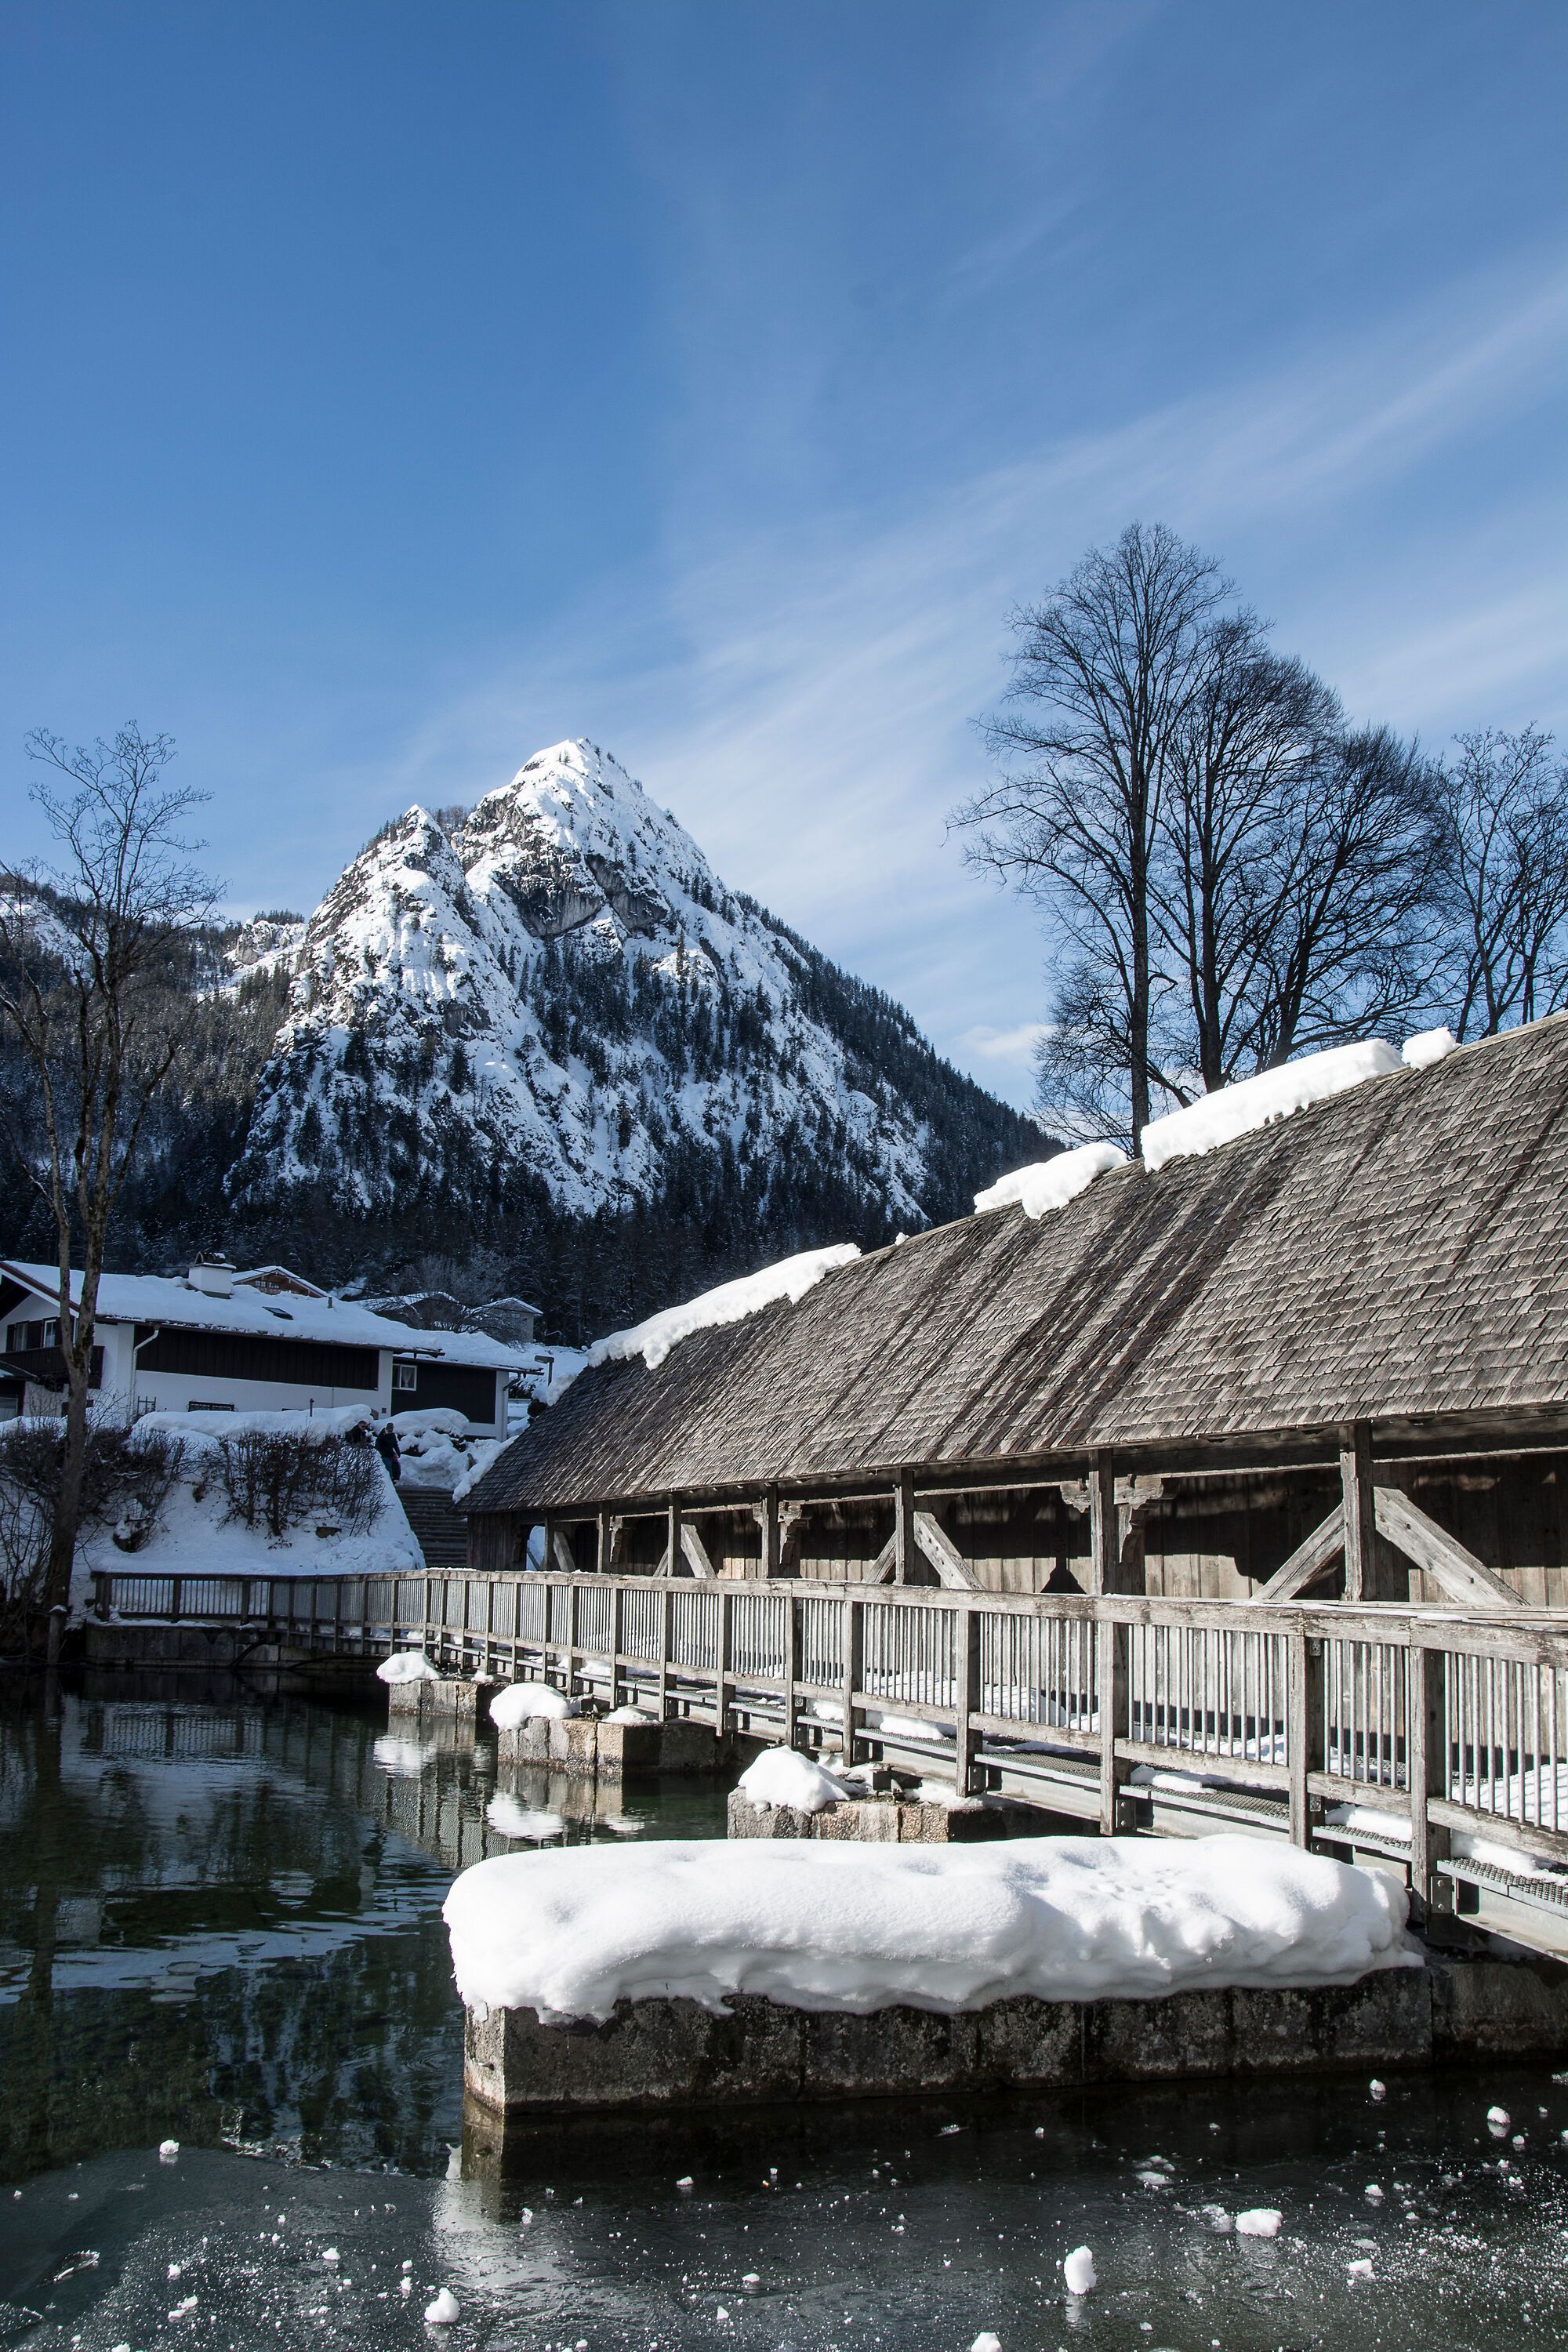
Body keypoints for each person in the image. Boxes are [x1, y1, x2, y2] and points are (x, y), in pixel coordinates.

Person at [374, 1418, 402, 1483]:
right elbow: (378, 1445)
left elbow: (395, 1444)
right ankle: (390, 1479)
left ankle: (394, 1477)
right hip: (384, 1454)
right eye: (389, 1431)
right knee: (388, 1466)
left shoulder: (392, 1435)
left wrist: (398, 1452)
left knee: (394, 1466)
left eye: (391, 1431)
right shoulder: (382, 1435)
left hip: (390, 1453)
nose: (390, 1432)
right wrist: (380, 1452)